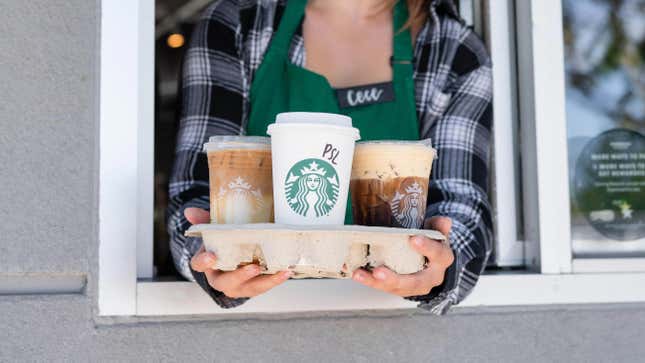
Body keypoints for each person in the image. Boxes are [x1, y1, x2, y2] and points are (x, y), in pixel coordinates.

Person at [167, 0, 493, 315]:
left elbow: (461, 208)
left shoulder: (452, 49)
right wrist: (210, 262)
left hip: (391, 332)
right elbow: (195, 196)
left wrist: (438, 271)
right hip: (257, 323)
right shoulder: (239, 23)